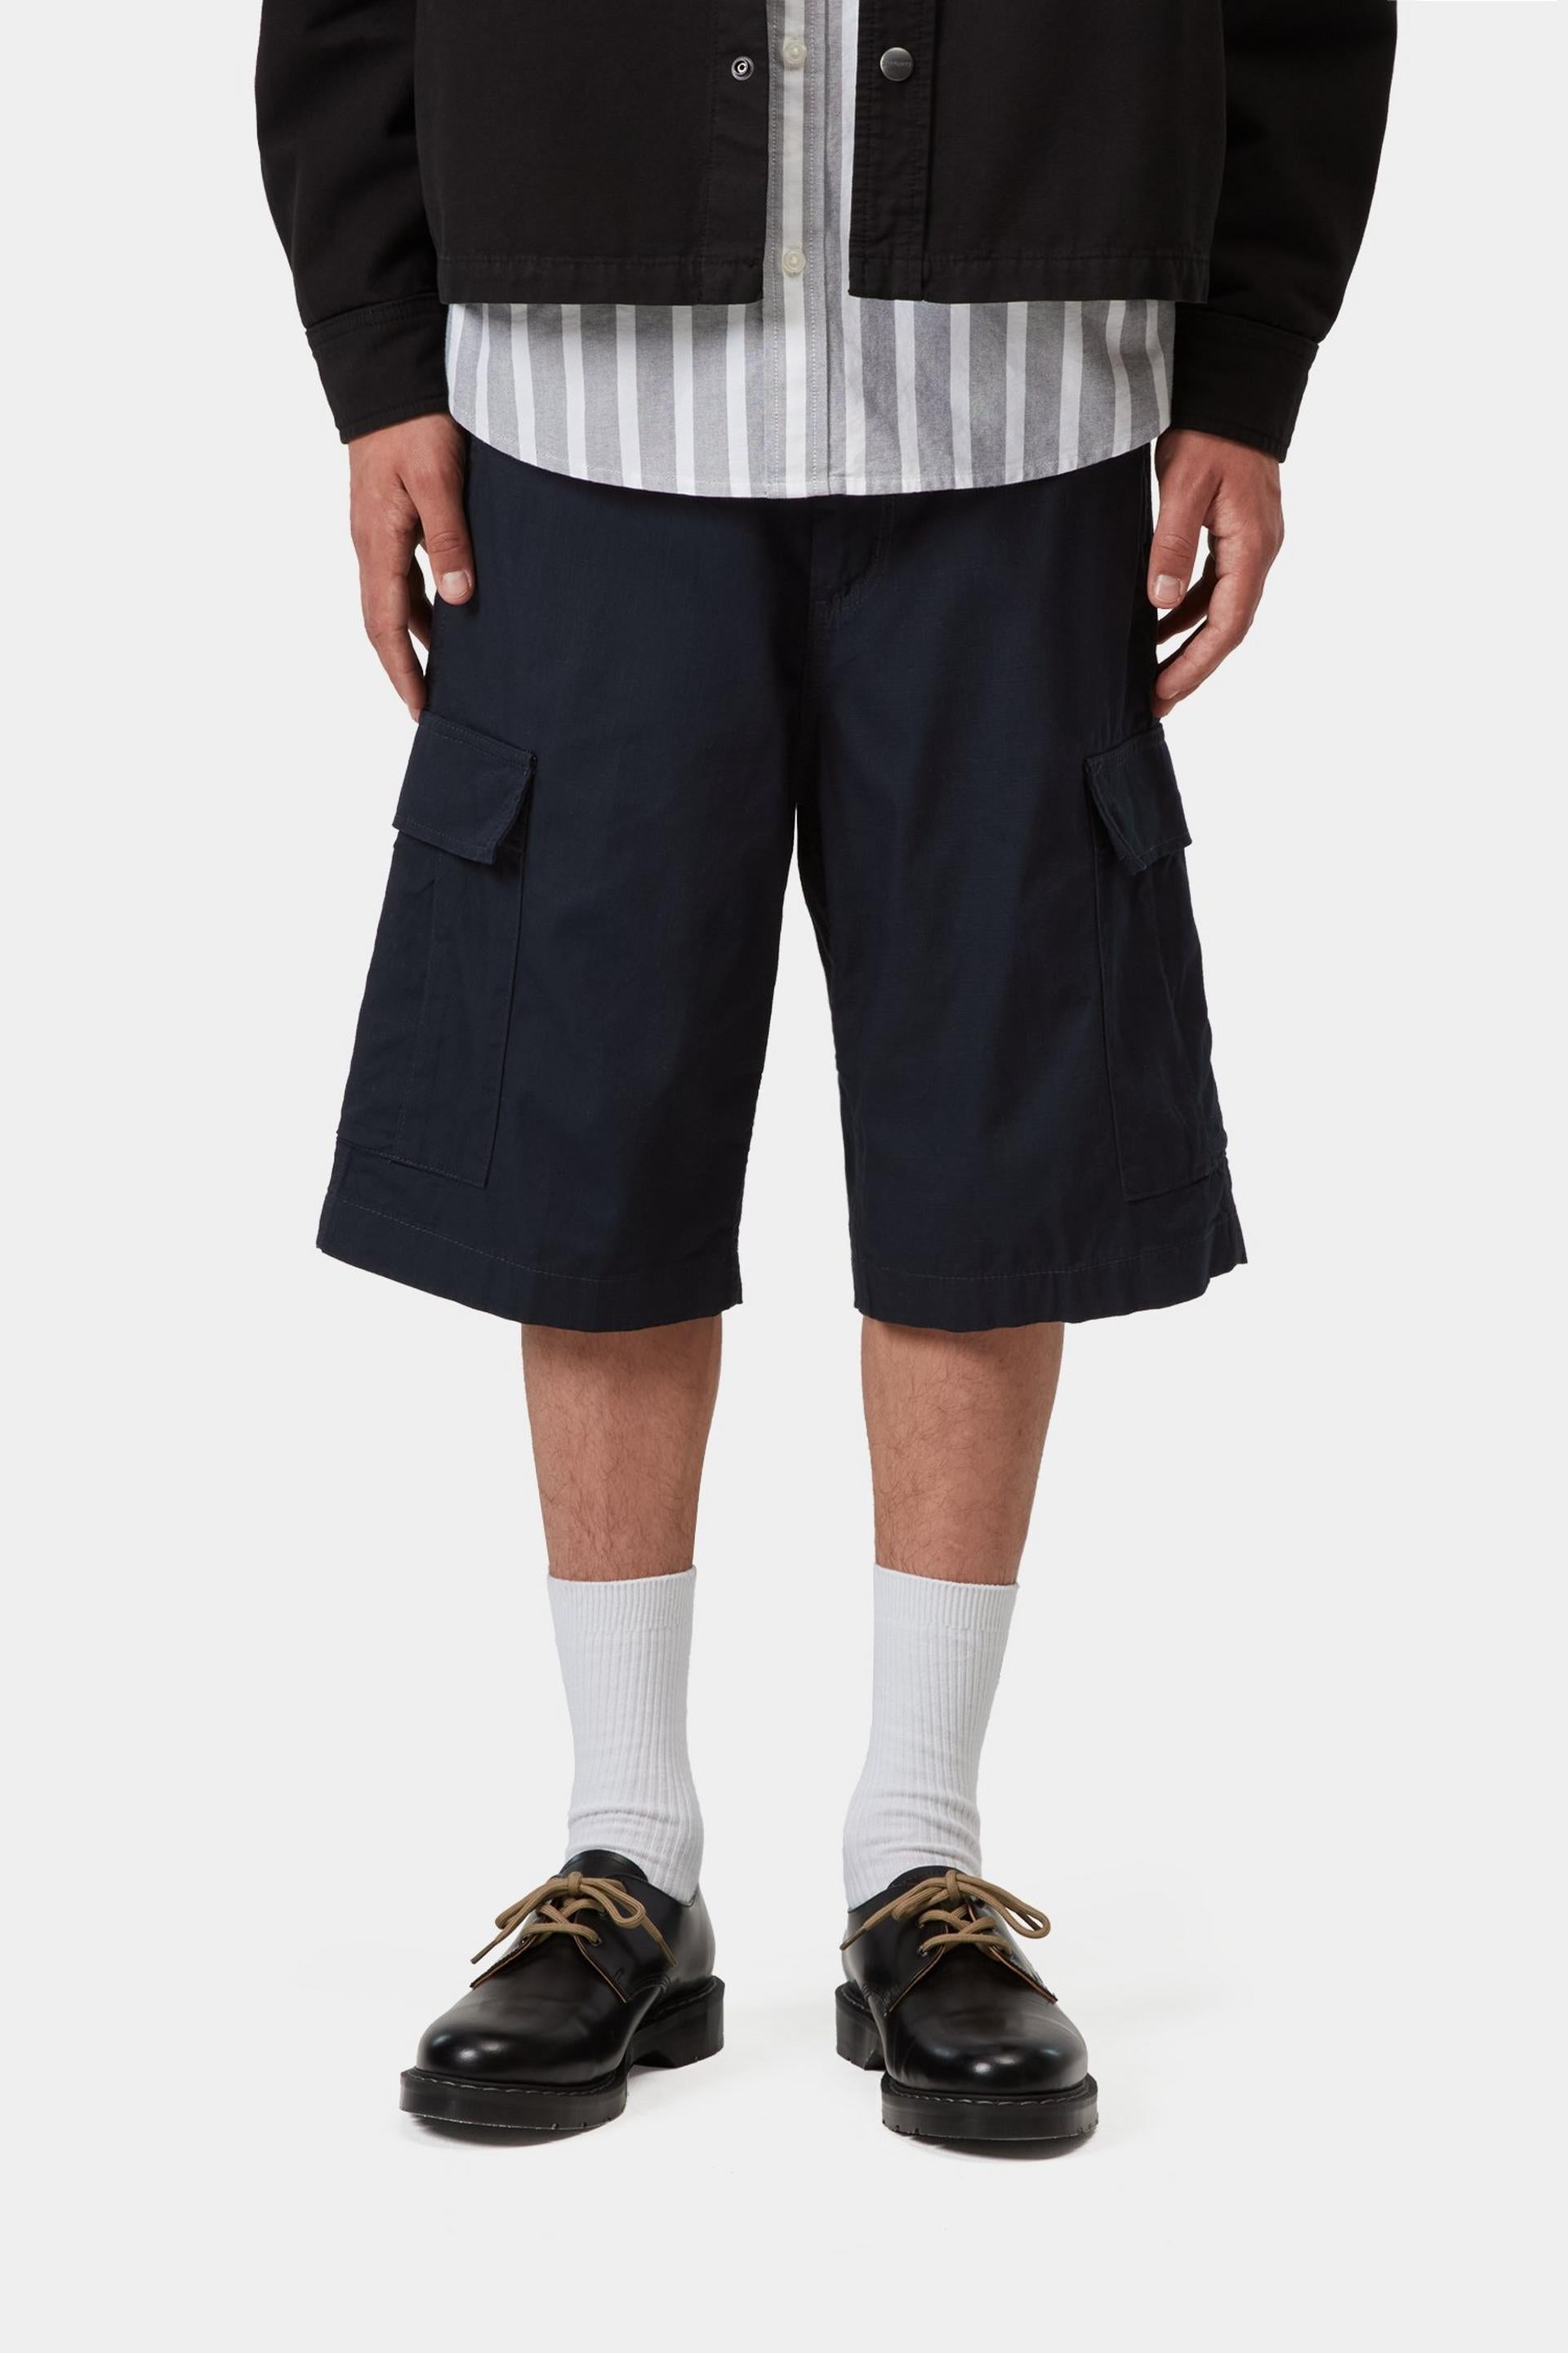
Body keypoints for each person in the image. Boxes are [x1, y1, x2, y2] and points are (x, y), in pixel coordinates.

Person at [257, 1, 1395, 2149]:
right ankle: (626, 1850)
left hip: (1025, 401)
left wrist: (1248, 371)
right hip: (575, 408)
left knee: (996, 1126)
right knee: (589, 1126)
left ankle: (918, 1856)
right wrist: (380, 355)